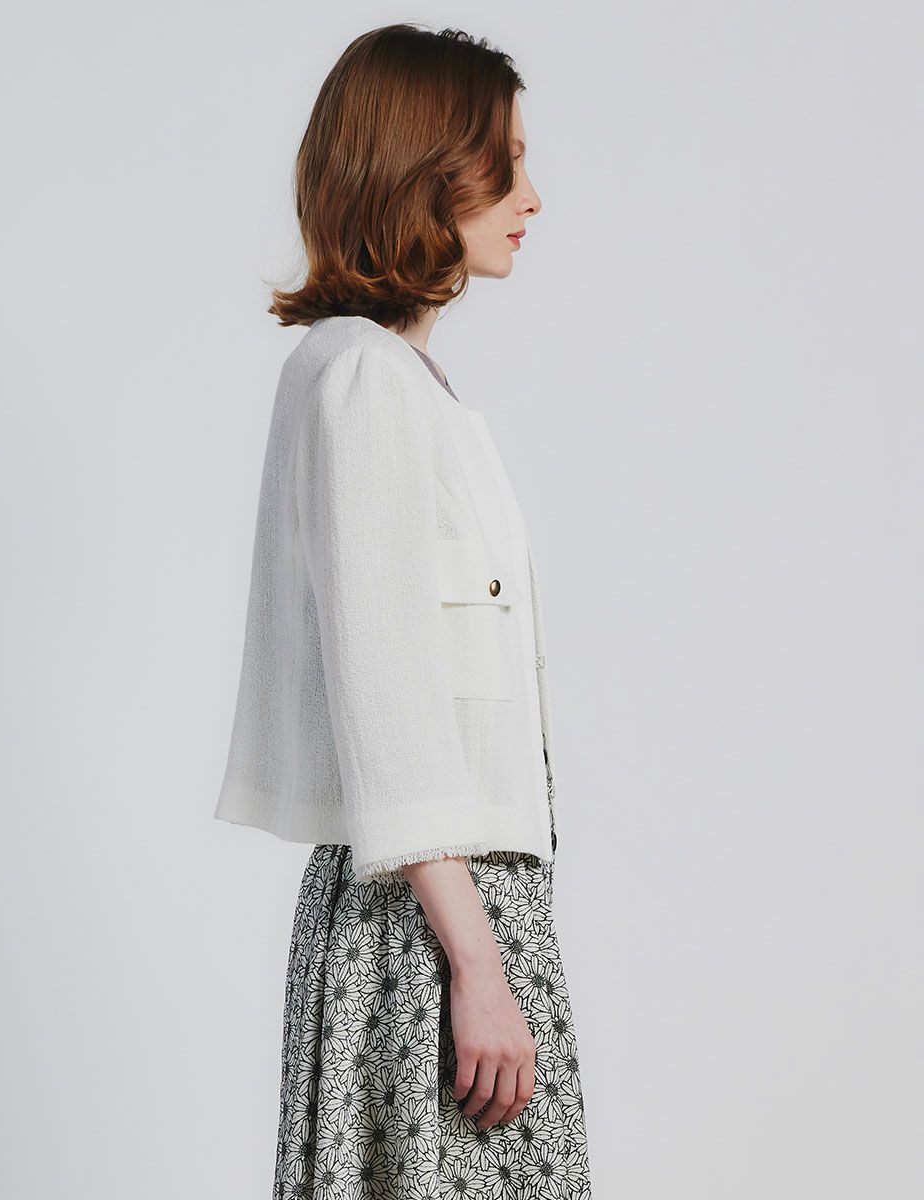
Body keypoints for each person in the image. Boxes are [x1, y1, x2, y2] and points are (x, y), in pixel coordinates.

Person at [214, 22, 594, 1200]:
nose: (532, 196)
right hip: (427, 925)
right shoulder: (363, 382)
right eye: (504, 163)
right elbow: (387, 696)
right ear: (423, 170)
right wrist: (475, 966)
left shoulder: (395, 381)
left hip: (452, 908)